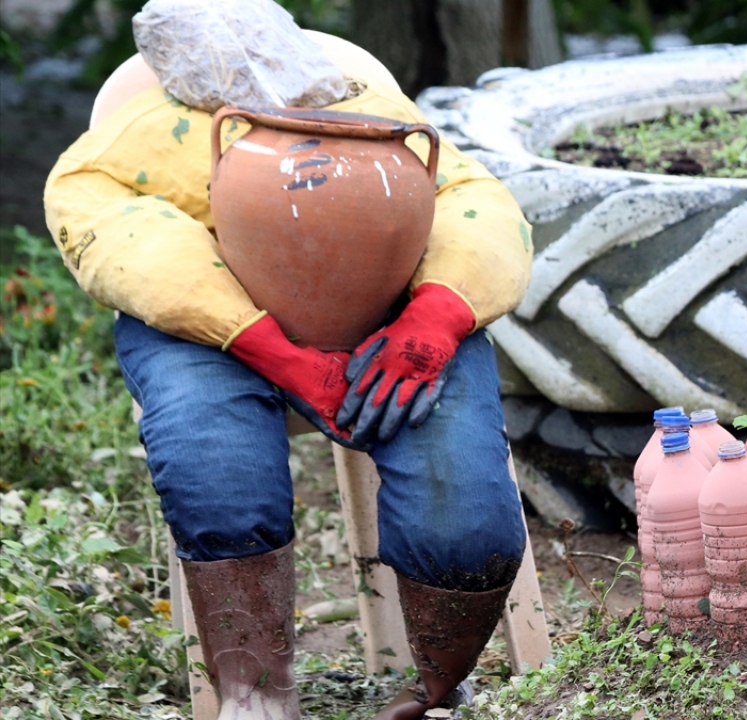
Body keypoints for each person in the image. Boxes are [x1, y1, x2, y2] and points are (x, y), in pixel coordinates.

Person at [43, 2, 533, 718]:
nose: (255, 73)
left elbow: (476, 205)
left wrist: (438, 315)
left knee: (462, 511)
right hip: (213, 330)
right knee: (219, 471)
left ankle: (437, 684)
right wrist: (265, 345)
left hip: (395, 321)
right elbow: (124, 238)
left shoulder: (380, 116)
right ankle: (256, 696)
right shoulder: (135, 143)